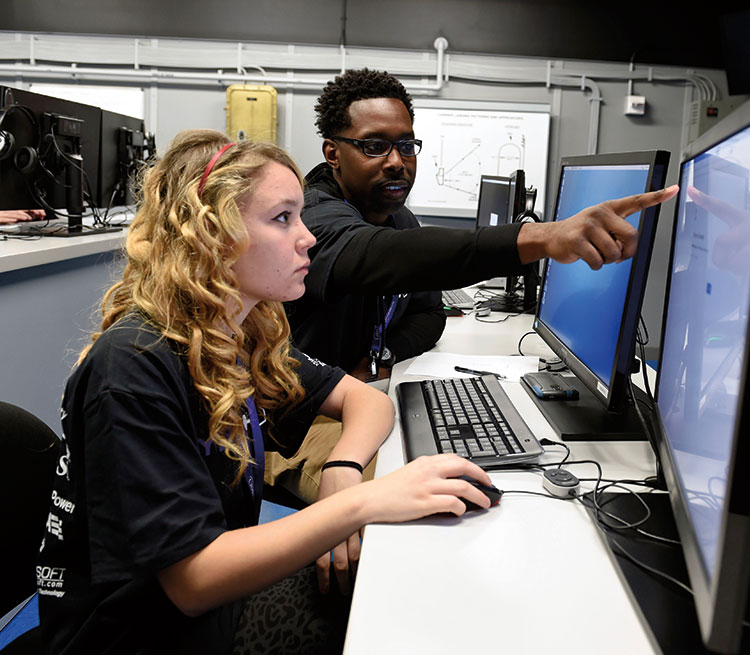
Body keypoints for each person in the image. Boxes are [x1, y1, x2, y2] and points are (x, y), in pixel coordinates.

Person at [36, 129, 496, 655]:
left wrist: (342, 473)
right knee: (390, 602)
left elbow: (365, 399)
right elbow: (192, 583)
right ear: (212, 236)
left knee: (390, 574)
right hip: (137, 635)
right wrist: (362, 505)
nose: (308, 238)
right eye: (283, 218)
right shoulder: (135, 364)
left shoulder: (234, 332)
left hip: (200, 602)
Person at [270, 68, 677, 507]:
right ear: (333, 152)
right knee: (412, 500)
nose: (396, 161)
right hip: (300, 425)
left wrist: (379, 357)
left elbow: (428, 316)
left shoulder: (396, 217)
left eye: (406, 146)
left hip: (362, 403)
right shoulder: (312, 219)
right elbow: (378, 255)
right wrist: (542, 237)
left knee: (452, 471)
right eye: (375, 146)